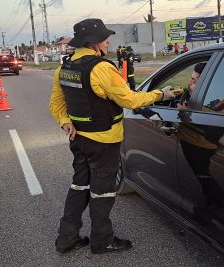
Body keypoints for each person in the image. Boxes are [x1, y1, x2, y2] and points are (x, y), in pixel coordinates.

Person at [49, 18, 175, 255]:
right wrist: (161, 94)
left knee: (79, 186)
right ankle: (102, 241)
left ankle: (66, 239)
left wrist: (65, 122)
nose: (108, 41)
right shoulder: (102, 68)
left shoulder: (64, 67)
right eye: (105, 38)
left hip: (79, 140)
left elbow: (56, 103)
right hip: (104, 140)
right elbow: (129, 99)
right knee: (103, 191)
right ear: (93, 42)